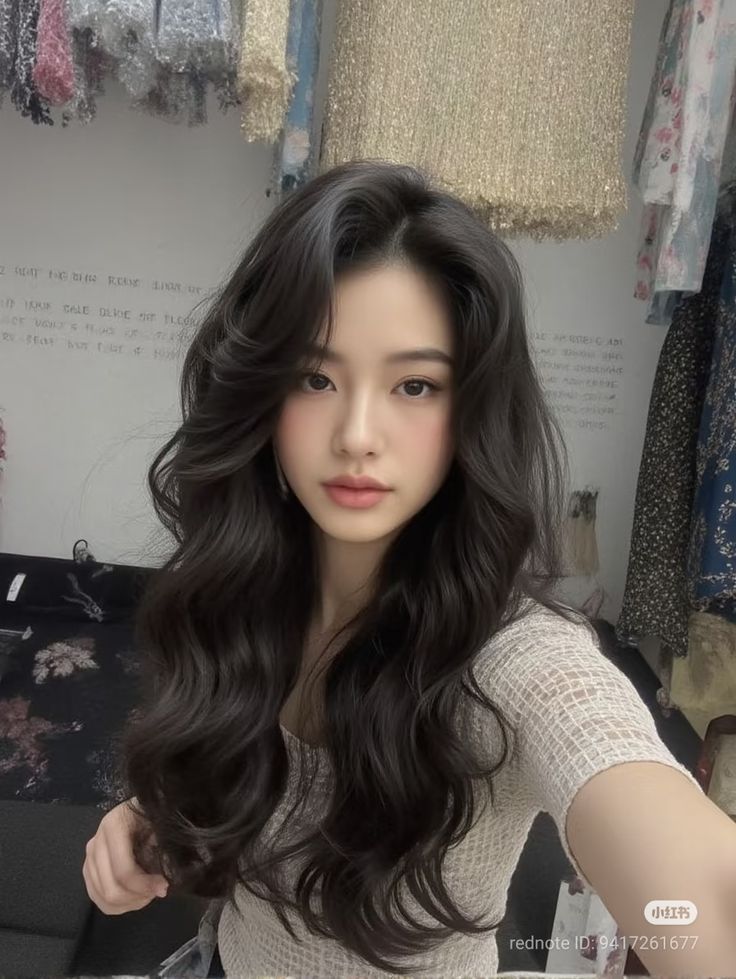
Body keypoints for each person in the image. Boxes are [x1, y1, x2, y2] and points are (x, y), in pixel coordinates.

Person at [82, 159, 736, 977]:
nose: (357, 433)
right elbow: (243, 794)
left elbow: (704, 896)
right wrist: (153, 820)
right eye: (315, 377)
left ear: (474, 410)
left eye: (415, 385)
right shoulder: (247, 593)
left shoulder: (518, 664)